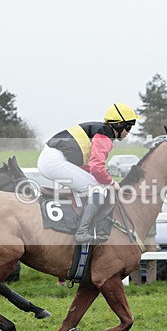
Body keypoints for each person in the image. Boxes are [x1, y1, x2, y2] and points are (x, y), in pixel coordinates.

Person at [37, 102, 137, 243]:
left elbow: (88, 167)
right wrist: (111, 182)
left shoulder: (99, 130)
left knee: (95, 185)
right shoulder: (105, 135)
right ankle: (82, 231)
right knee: (98, 189)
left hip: (53, 159)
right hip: (54, 161)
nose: (129, 132)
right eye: (129, 127)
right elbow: (96, 167)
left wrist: (104, 178)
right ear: (119, 125)